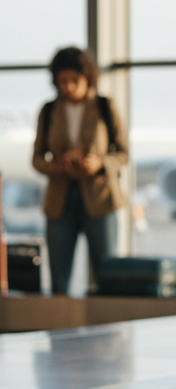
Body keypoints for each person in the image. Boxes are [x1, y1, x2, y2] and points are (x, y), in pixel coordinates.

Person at [32, 46, 128, 295]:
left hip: (99, 198)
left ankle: (108, 331)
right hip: (60, 200)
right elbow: (37, 159)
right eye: (62, 81)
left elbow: (123, 154)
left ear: (88, 78)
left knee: (106, 274)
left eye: (74, 80)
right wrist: (59, 165)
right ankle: (58, 330)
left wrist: (99, 163)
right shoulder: (49, 111)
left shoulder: (105, 107)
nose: (68, 86)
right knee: (59, 278)